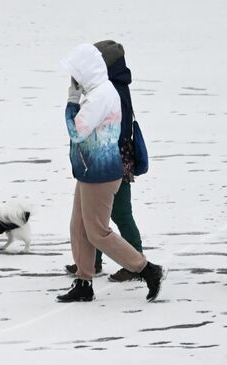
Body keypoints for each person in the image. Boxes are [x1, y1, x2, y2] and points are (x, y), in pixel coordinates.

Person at [56, 44, 163, 303]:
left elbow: (77, 131)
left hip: (101, 174)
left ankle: (147, 269)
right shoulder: (99, 92)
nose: (74, 80)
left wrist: (72, 102)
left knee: (98, 232)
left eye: (76, 75)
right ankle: (84, 283)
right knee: (80, 227)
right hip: (89, 170)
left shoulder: (101, 96)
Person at [64, 40, 144, 282]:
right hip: (112, 159)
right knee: (96, 216)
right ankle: (92, 263)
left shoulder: (112, 89)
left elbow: (102, 129)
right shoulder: (112, 86)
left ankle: (138, 262)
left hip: (113, 160)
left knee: (119, 213)